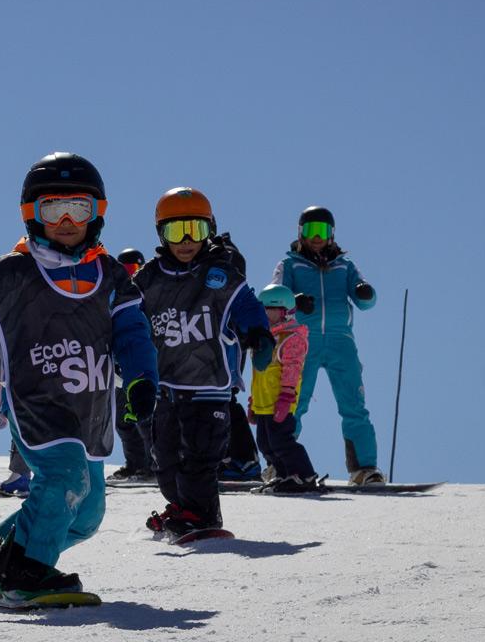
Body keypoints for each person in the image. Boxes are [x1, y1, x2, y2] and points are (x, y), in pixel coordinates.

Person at [0, 152, 159, 602]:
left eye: (77, 208)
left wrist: (141, 379)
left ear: (96, 214)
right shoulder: (12, 274)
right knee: (63, 479)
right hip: (37, 401)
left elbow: (134, 334)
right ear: (31, 215)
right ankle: (27, 572)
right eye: (51, 209)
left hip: (89, 409)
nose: (64, 220)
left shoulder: (111, 276)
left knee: (86, 512)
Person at [133, 187, 273, 539]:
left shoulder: (219, 275)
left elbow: (247, 305)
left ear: (208, 229)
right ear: (160, 234)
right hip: (166, 389)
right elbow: (126, 316)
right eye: (174, 232)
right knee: (163, 461)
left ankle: (203, 513)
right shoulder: (149, 279)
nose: (185, 242)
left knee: (199, 459)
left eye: (194, 230)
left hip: (209, 388)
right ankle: (181, 507)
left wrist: (259, 333)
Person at [272, 206, 384, 485]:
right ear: (300, 234)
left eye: (322, 231)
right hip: (301, 340)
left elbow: (365, 300)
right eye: (311, 230)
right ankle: (279, 465)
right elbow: (274, 297)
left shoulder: (344, 266)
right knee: (293, 401)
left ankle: (364, 469)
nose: (317, 237)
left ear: (332, 235)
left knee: (354, 404)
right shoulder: (290, 264)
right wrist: (295, 299)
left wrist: (364, 292)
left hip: (340, 341)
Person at [248, 284, 321, 493]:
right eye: (264, 311)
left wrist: (286, 396)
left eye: (272, 311)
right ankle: (283, 474)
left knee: (282, 441)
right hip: (263, 402)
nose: (267, 315)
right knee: (265, 444)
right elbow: (259, 374)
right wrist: (253, 401)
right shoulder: (264, 338)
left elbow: (292, 368)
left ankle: (303, 475)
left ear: (285, 312)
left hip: (280, 401)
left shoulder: (292, 337)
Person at [109, 248, 156, 482]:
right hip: (118, 367)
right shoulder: (116, 292)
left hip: (139, 365)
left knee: (144, 417)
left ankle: (152, 464)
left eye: (134, 270)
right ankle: (135, 464)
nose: (131, 275)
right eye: (126, 270)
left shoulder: (145, 294)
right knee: (123, 420)